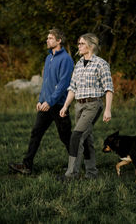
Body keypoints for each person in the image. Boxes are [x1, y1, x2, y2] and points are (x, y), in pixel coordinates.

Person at [9, 28, 83, 175]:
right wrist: (41, 99)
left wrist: (50, 101)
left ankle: (78, 164)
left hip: (59, 105)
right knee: (36, 133)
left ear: (59, 40)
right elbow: (46, 82)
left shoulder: (66, 59)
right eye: (47, 38)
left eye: (50, 38)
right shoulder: (48, 58)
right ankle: (27, 166)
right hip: (45, 104)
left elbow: (63, 84)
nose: (47, 40)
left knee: (65, 136)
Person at [58, 33, 114, 180]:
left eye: (82, 43)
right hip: (79, 105)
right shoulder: (78, 64)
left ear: (91, 45)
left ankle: (71, 174)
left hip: (93, 105)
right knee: (86, 138)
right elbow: (72, 87)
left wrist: (107, 110)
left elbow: (108, 88)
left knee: (76, 136)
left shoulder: (101, 64)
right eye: (78, 43)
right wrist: (65, 106)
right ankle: (92, 173)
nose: (79, 46)